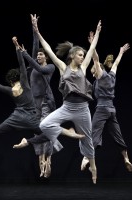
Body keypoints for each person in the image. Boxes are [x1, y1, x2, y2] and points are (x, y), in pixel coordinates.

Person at [13, 14, 102, 184]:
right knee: (45, 124)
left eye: (83, 55)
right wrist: (36, 30)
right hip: (67, 107)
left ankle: (93, 165)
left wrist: (97, 33)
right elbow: (46, 47)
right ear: (73, 56)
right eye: (80, 55)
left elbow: (92, 49)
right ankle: (67, 132)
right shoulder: (62, 67)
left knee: (88, 138)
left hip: (82, 109)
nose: (83, 57)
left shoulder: (84, 67)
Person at [14, 35, 83, 178]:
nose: (38, 56)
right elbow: (32, 49)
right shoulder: (32, 67)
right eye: (37, 55)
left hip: (46, 102)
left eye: (40, 55)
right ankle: (41, 160)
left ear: (45, 57)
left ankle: (49, 159)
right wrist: (30, 33)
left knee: (47, 128)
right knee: (38, 131)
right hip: (35, 104)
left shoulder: (50, 67)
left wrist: (28, 48)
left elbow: (38, 67)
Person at [81, 31, 132, 172]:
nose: (93, 74)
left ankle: (86, 157)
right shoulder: (112, 76)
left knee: (93, 132)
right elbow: (116, 63)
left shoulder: (101, 76)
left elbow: (96, 59)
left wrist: (92, 44)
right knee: (118, 135)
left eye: (94, 72)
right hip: (112, 110)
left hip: (102, 109)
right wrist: (121, 52)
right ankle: (126, 158)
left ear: (99, 71)